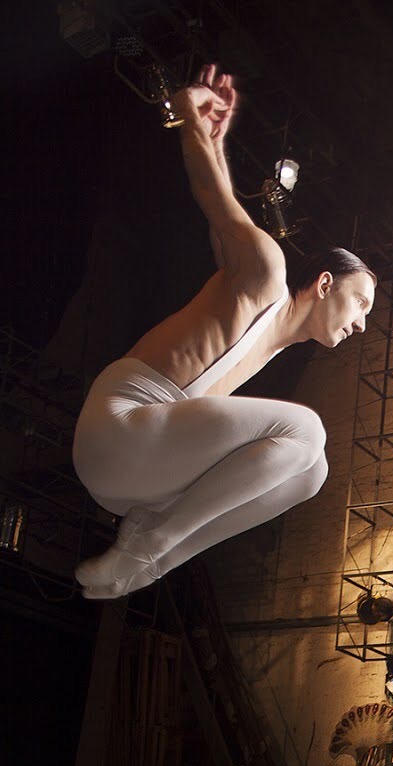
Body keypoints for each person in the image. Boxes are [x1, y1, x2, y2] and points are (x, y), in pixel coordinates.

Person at [73, 65, 376, 600]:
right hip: (120, 428)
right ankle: (147, 547)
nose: (362, 322)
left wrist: (216, 139)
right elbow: (212, 197)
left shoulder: (276, 338)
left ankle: (148, 563)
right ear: (325, 283)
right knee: (306, 431)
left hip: (138, 478)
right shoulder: (265, 273)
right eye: (361, 302)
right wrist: (195, 121)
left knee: (312, 472)